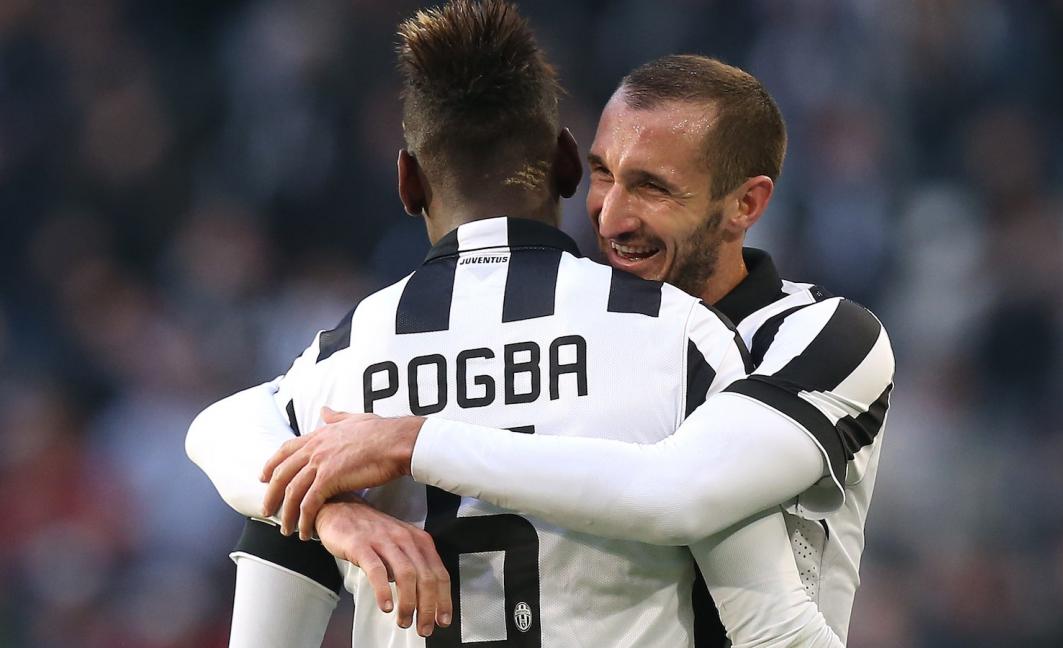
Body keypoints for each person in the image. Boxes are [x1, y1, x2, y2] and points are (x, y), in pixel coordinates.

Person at [187, 1, 842, 647]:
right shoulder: (681, 339)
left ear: (408, 182)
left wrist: (333, 511)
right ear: (565, 163)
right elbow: (773, 628)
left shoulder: (334, 374)